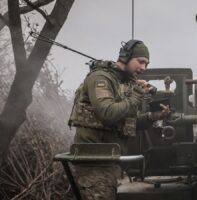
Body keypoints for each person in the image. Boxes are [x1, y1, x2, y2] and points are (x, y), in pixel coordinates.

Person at [68, 40, 170, 200]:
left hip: (108, 160)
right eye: (141, 62)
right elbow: (108, 113)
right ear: (125, 57)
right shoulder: (100, 79)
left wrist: (154, 117)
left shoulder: (122, 83)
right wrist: (135, 96)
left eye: (147, 64)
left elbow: (126, 123)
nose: (144, 68)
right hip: (94, 161)